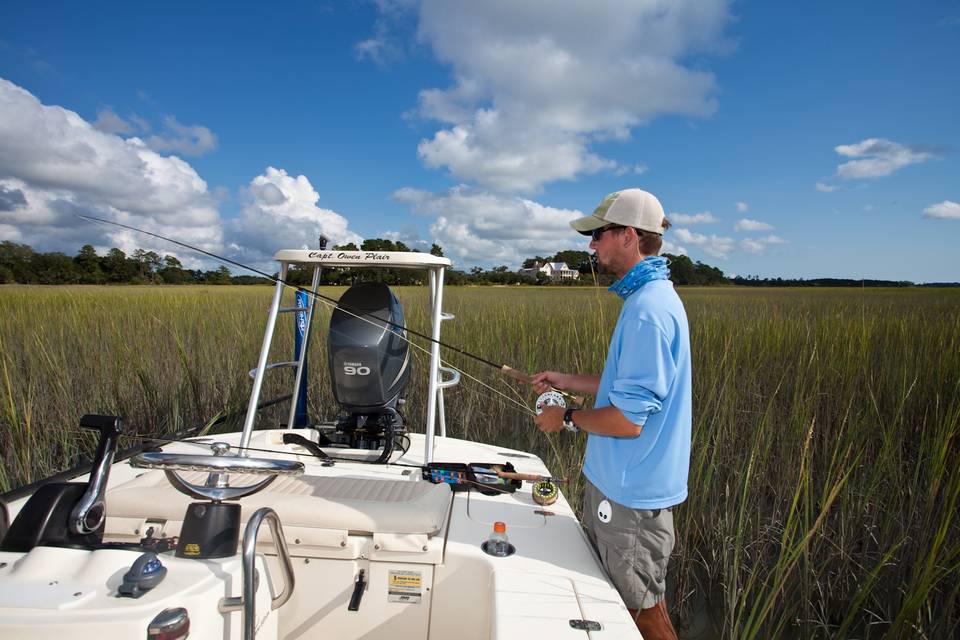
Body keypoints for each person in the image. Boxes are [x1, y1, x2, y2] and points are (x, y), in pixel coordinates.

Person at [532, 188, 691, 640]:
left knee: (642, 612)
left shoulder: (647, 310)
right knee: (621, 607)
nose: (591, 245)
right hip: (619, 490)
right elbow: (628, 388)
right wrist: (566, 380)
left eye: (598, 234)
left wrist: (563, 418)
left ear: (628, 235)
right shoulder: (650, 299)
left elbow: (628, 420)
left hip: (630, 498)